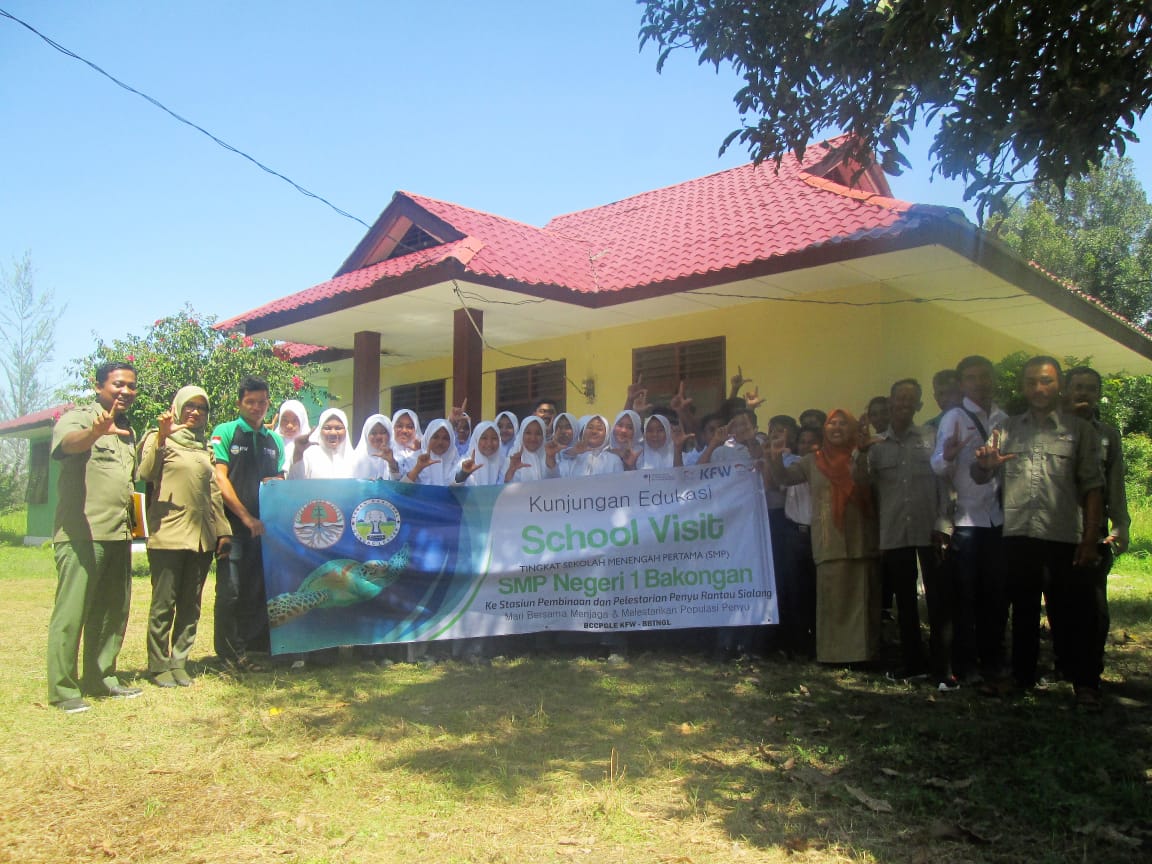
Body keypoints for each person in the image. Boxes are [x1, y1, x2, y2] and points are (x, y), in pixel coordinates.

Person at [971, 356, 1104, 704]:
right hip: (1019, 534)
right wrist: (983, 468)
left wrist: (1090, 538)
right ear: (1023, 387)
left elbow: (1092, 487)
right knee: (1024, 610)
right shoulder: (1007, 428)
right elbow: (982, 475)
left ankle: (1085, 682)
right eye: (1031, 382)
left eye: (1045, 381)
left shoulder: (1079, 431)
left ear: (1058, 384)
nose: (1038, 388)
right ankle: (1022, 677)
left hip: (1064, 535)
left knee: (1073, 611)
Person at [46, 361, 142, 713]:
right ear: (98, 385)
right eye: (118, 384)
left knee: (111, 612)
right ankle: (64, 689)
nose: (126, 392)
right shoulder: (80, 418)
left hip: (119, 533)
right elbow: (69, 445)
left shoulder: (127, 430)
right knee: (72, 614)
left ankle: (101, 678)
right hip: (82, 534)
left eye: (131, 386)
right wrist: (94, 433)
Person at [137, 385, 232, 688]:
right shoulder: (158, 438)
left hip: (201, 537)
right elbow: (145, 473)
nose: (195, 412)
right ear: (177, 407)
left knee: (191, 604)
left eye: (201, 408)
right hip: (168, 535)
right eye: (189, 406)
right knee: (164, 603)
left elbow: (214, 492)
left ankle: (180, 661)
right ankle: (158, 664)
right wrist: (162, 437)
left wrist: (223, 532)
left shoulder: (205, 448)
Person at [769, 409, 881, 665]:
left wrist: (861, 454)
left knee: (862, 597)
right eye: (833, 423)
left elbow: (870, 484)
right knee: (831, 598)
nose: (837, 427)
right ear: (825, 430)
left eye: (844, 423)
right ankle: (833, 654)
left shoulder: (864, 454)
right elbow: (783, 478)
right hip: (828, 538)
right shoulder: (812, 461)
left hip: (861, 536)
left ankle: (863, 654)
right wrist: (775, 456)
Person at [863, 379, 952, 683]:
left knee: (939, 599)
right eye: (898, 399)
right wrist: (859, 453)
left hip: (930, 530)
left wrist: (944, 524)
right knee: (905, 600)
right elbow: (861, 486)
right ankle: (913, 662)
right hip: (895, 531)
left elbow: (944, 483)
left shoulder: (931, 437)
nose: (903, 405)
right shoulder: (874, 447)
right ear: (889, 403)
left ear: (919, 406)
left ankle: (943, 664)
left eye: (909, 400)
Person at [930, 355, 1009, 684]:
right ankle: (965, 666)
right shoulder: (954, 417)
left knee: (995, 595)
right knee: (965, 597)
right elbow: (937, 464)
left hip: (997, 518)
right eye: (972, 378)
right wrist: (947, 456)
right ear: (962, 383)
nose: (980, 382)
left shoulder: (1003, 418)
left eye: (985, 376)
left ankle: (994, 661)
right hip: (965, 521)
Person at [210, 376, 284, 671]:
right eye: (250, 402)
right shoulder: (226, 432)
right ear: (239, 402)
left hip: (264, 530)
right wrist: (245, 517)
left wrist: (278, 481)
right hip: (232, 528)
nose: (256, 407)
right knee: (231, 591)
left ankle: (252, 651)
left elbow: (280, 478)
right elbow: (219, 478)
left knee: (257, 589)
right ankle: (227, 655)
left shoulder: (274, 439)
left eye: (262, 402)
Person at [1062, 366, 1130, 685]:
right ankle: (1065, 662)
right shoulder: (1051, 430)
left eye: (1090, 388)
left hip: (1094, 530)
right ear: (1066, 390)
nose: (1083, 393)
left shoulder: (1108, 434)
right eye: (1077, 387)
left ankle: (1090, 668)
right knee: (1061, 601)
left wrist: (1121, 524)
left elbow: (1115, 483)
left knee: (1094, 605)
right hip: (1056, 529)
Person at [404, 418, 462, 485]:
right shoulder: (413, 459)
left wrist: (463, 474)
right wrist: (417, 468)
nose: (440, 442)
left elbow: (460, 492)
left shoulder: (457, 462)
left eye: (445, 438)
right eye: (435, 437)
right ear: (428, 437)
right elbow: (401, 490)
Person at [300, 408, 354, 479]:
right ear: (320, 430)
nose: (333, 433)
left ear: (346, 430)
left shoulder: (354, 459)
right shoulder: (309, 455)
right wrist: (298, 453)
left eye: (338, 428)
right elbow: (295, 481)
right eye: (327, 428)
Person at [352, 413, 401, 480]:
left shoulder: (398, 456)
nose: (378, 437)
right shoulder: (356, 459)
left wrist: (391, 462)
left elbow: (398, 484)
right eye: (373, 433)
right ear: (366, 435)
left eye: (383, 432)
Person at [273, 399, 311, 479]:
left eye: (295, 420)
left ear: (302, 421)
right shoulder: (272, 443)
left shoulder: (311, 445)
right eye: (285, 420)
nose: (289, 426)